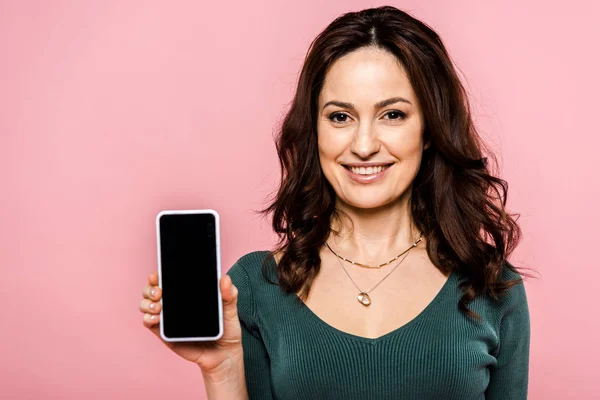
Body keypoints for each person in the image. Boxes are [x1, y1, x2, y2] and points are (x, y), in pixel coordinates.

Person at [140, 5, 531, 399]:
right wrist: (222, 369)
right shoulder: (257, 286)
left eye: (392, 114)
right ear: (315, 129)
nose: (363, 146)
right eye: (340, 117)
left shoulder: (492, 285)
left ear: (429, 129)